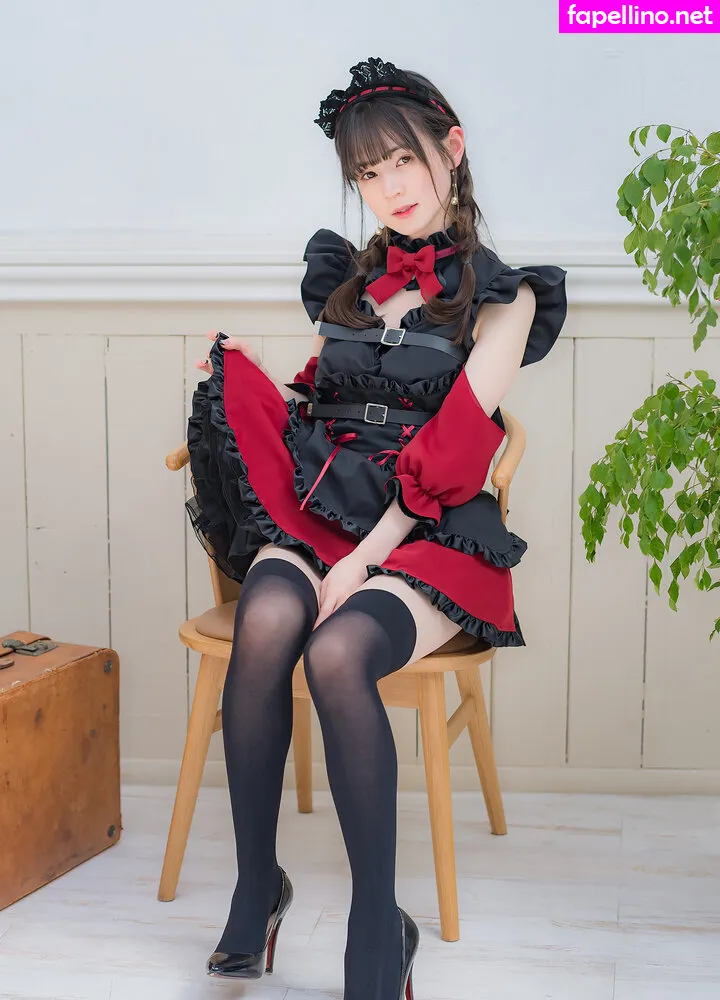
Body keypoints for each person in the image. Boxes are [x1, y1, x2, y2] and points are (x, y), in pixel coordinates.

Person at [185, 56, 567, 1000]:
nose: (389, 186)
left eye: (403, 160)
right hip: (330, 510)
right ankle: (256, 890)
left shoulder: (506, 297)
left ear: (452, 150)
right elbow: (322, 400)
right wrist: (246, 376)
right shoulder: (349, 281)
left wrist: (363, 560)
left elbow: (453, 448)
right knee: (268, 621)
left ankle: (375, 926)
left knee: (338, 652)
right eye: (368, 172)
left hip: (430, 529)